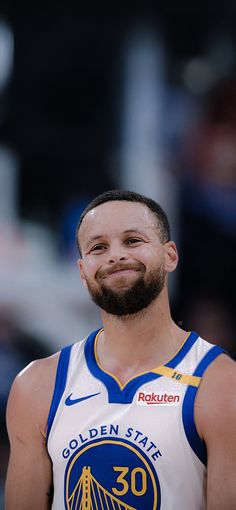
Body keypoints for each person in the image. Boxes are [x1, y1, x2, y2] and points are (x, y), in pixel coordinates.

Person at [5, 189, 236, 510]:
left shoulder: (222, 386)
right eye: (99, 247)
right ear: (83, 272)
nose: (116, 255)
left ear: (170, 256)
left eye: (132, 241)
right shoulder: (36, 386)